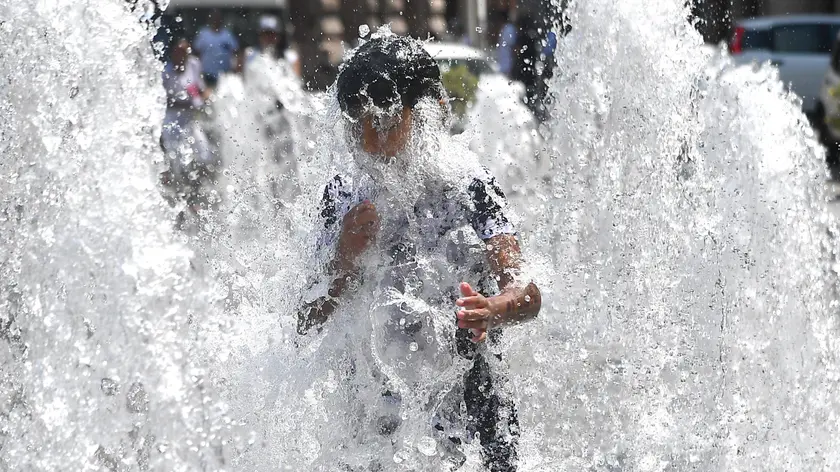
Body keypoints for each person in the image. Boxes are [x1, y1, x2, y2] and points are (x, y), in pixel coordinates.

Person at [297, 34, 541, 471]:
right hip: (375, 409)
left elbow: (526, 293)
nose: (370, 144)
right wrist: (342, 262)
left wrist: (493, 309)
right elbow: (305, 318)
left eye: (386, 125)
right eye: (357, 126)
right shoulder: (342, 197)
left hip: (470, 403)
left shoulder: (468, 184)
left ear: (425, 114)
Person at [160, 38, 212, 210]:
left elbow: (202, 89)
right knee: (178, 158)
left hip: (190, 117)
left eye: (185, 52)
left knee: (203, 153)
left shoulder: (194, 65)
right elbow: (160, 99)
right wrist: (182, 103)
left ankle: (196, 193)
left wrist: (202, 99)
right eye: (178, 52)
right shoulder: (165, 71)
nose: (182, 56)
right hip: (172, 118)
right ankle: (181, 196)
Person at [193, 9, 238, 87]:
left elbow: (235, 51)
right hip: (207, 74)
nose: (216, 20)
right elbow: (196, 52)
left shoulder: (227, 34)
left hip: (224, 74)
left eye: (218, 18)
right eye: (214, 18)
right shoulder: (203, 34)